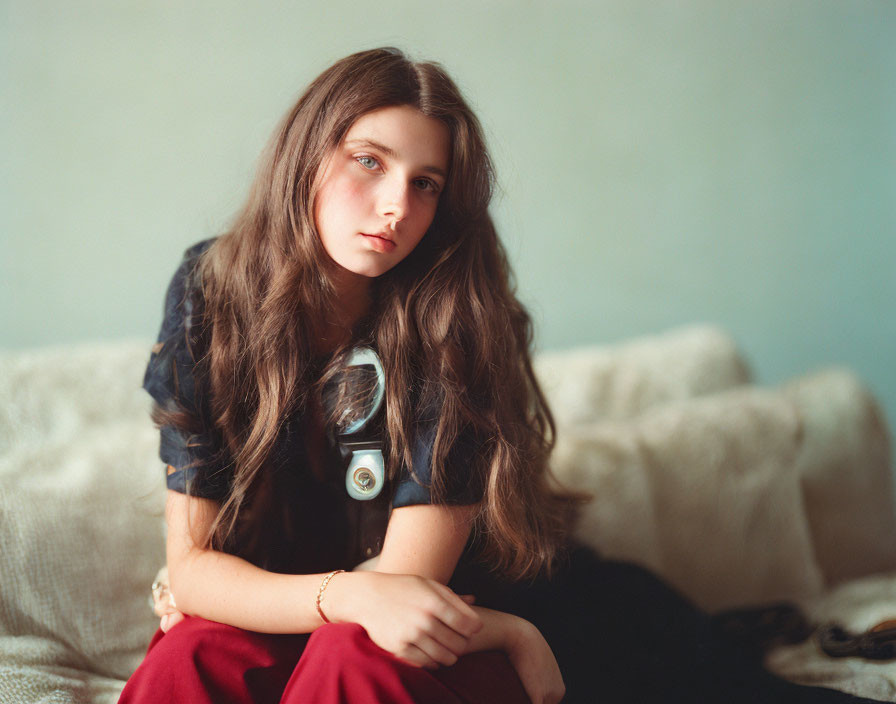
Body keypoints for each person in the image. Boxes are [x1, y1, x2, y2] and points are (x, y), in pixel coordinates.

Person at [121, 47, 881, 704]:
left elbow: (405, 595)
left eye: (426, 184)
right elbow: (191, 573)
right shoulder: (212, 292)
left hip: (444, 615)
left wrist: (501, 625)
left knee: (352, 657)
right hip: (326, 613)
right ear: (306, 154)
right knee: (193, 654)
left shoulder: (455, 319)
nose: (395, 207)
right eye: (369, 161)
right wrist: (319, 594)